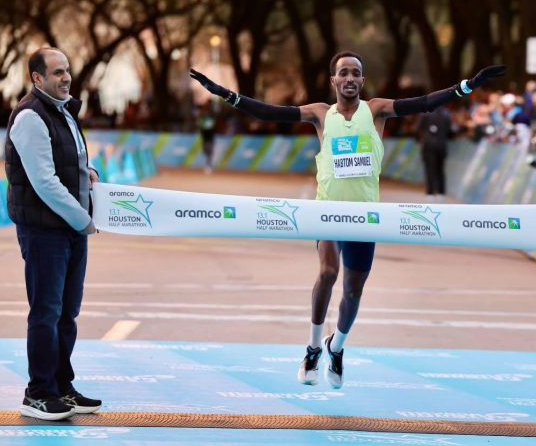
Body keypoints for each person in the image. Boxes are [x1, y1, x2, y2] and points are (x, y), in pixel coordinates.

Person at [190, 52, 504, 389]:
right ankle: (312, 348)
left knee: (353, 291)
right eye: (344, 73)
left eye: (356, 73)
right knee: (327, 273)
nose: (350, 78)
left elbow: (424, 103)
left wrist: (468, 86)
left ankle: (335, 348)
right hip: (326, 211)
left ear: (363, 81)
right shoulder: (320, 114)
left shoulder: (377, 110)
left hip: (365, 216)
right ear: (334, 81)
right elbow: (269, 112)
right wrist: (225, 94)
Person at [5, 48, 102, 421]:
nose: (66, 78)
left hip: (69, 228)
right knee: (46, 312)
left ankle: (62, 385)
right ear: (37, 78)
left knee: (67, 312)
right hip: (46, 230)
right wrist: (82, 218)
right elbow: (42, 180)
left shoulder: (61, 110)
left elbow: (64, 160)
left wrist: (86, 171)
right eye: (57, 72)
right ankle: (39, 392)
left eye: (68, 72)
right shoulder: (30, 116)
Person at [417, 105, 452, 201]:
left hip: (428, 146)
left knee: (429, 169)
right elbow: (450, 130)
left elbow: (419, 128)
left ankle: (430, 193)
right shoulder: (447, 114)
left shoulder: (425, 113)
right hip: (442, 145)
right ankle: (441, 192)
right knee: (440, 169)